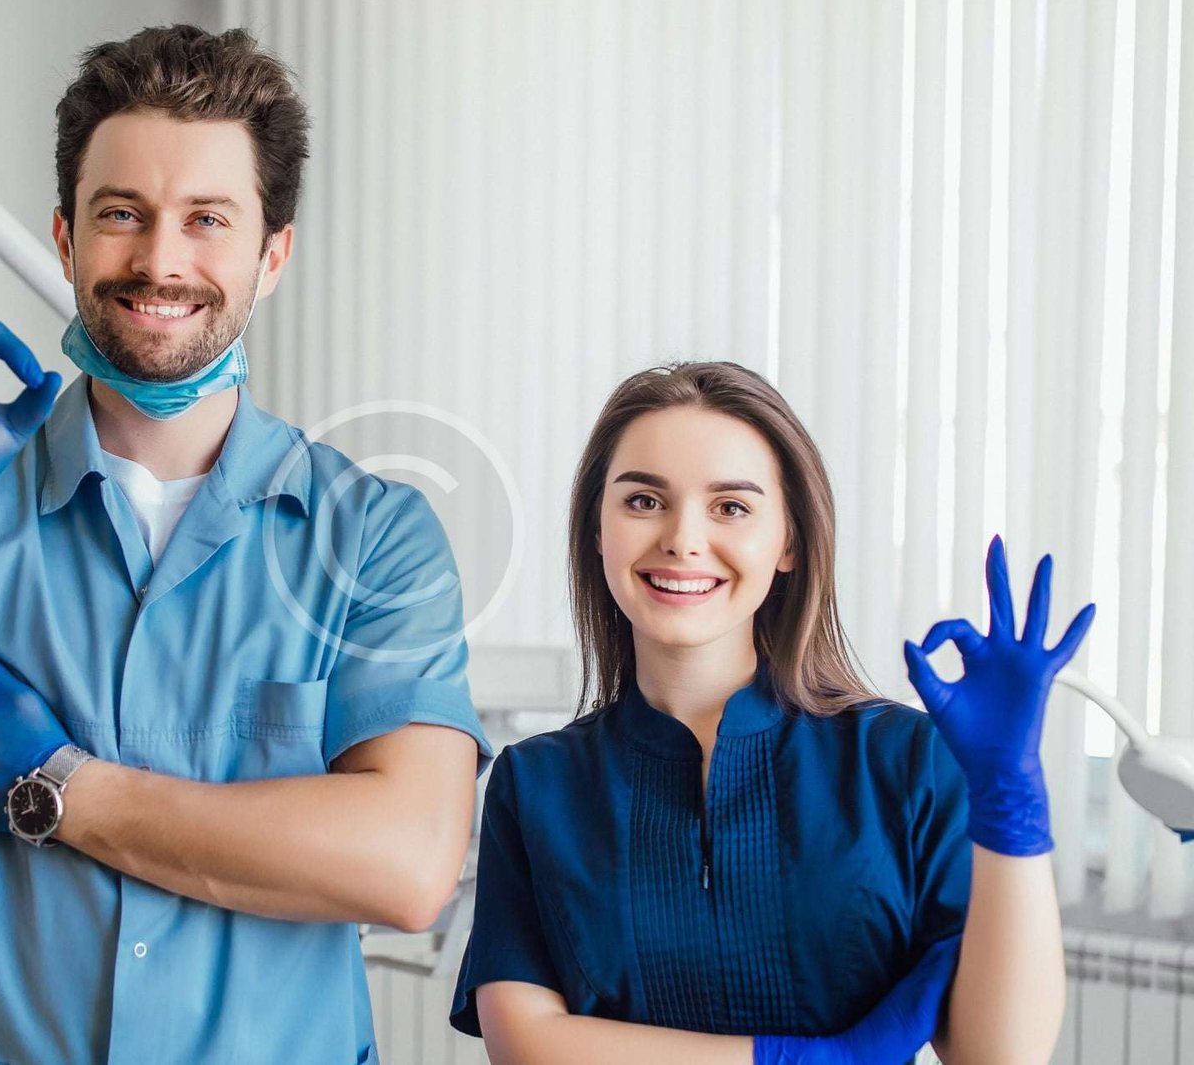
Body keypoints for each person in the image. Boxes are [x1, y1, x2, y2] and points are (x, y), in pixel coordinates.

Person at [0, 25, 489, 1065]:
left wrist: (55, 786)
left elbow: (408, 863)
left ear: (270, 252)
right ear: (65, 238)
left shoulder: (372, 538)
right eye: (122, 215)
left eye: (207, 218)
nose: (160, 259)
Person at [451, 362, 1090, 1063]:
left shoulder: (905, 762)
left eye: (731, 506)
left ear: (788, 541)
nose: (683, 539)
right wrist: (806, 1059)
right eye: (643, 501)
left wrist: (1012, 796)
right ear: (597, 529)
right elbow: (527, 1045)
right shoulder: (535, 784)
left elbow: (1001, 1054)